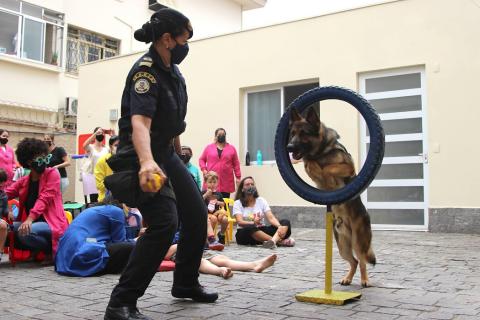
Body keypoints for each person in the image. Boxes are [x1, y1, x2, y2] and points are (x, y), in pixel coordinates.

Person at [104, 8, 217, 320]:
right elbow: (140, 123)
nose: (187, 44)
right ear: (167, 39)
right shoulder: (146, 72)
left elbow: (173, 123)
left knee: (195, 212)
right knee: (165, 222)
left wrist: (178, 156)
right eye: (185, 36)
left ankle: (185, 283)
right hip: (138, 155)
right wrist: (146, 163)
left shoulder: (173, 72)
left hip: (165, 153)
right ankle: (120, 303)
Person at [4, 138, 68, 258]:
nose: (43, 160)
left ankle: (49, 250)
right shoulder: (25, 180)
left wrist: (29, 219)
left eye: (45, 157)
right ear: (28, 161)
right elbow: (6, 193)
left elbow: (44, 199)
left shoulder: (52, 174)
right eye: (39, 158)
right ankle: (37, 250)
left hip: (51, 222)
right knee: (6, 231)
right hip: (33, 222)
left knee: (24, 233)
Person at [55, 201, 135, 277]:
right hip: (82, 251)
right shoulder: (116, 211)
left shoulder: (98, 209)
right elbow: (120, 241)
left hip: (64, 258)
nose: (131, 209)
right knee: (132, 247)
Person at [233, 176, 295, 249]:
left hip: (262, 230)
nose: (250, 186)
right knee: (250, 228)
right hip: (246, 233)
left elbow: (271, 217)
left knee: (285, 222)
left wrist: (279, 226)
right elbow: (240, 222)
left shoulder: (261, 200)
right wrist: (253, 223)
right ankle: (278, 241)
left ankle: (272, 241)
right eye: (247, 184)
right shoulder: (238, 203)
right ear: (242, 189)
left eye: (252, 184)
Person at [164, 241, 277, 279]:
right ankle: (221, 271)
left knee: (221, 259)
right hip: (181, 253)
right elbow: (165, 255)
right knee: (201, 262)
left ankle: (254, 265)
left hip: (200, 248)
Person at [199, 128, 241, 199]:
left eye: (223, 134)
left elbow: (236, 164)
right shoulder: (209, 148)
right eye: (219, 134)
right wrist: (204, 169)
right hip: (211, 180)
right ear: (215, 136)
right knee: (210, 203)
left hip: (226, 181)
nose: (221, 136)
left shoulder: (231, 148)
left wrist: (238, 177)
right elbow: (201, 159)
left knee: (224, 203)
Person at [82, 127, 110, 203]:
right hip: (93, 177)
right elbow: (84, 145)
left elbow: (116, 148)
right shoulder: (91, 147)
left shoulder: (106, 148)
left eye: (102, 133)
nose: (100, 134)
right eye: (98, 133)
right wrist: (95, 133)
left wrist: (112, 134)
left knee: (105, 199)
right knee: (94, 200)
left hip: (104, 177)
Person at [202, 171, 228, 246]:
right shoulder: (203, 192)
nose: (212, 184)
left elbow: (223, 203)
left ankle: (221, 234)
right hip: (207, 213)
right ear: (205, 183)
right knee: (213, 219)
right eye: (210, 182)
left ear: (217, 183)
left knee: (225, 219)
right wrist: (206, 194)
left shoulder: (218, 194)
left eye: (214, 182)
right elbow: (200, 201)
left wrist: (219, 203)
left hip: (217, 213)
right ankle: (210, 238)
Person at [94, 135, 120, 202]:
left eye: (121, 145)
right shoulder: (102, 161)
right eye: (116, 145)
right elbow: (99, 185)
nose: (119, 148)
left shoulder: (126, 160)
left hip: (124, 199)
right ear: (111, 147)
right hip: (106, 200)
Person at [0, 168, 11, 262]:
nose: (1, 184)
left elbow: (5, 210)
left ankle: (0, 252)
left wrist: (8, 212)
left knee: (3, 225)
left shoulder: (3, 195)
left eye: (2, 182)